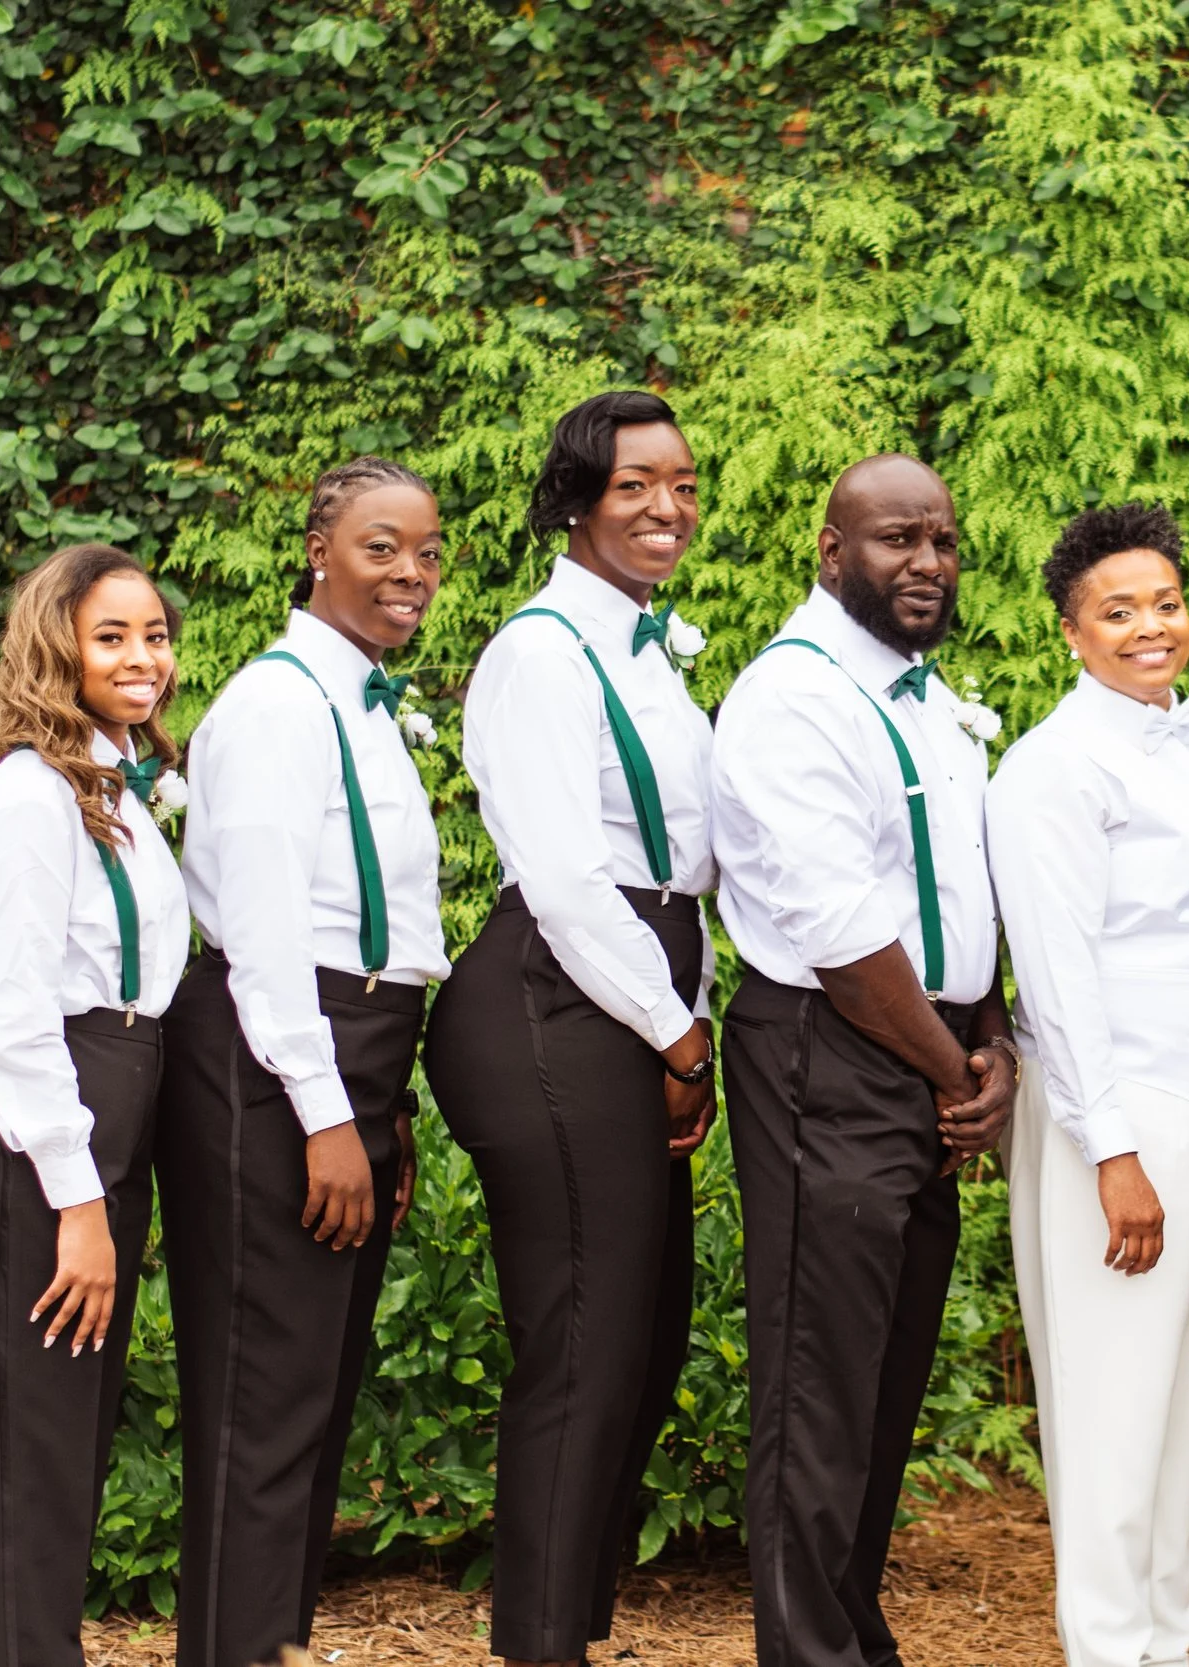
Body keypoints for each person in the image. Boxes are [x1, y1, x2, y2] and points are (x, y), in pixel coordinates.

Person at [422, 392, 718, 1666]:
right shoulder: (539, 652)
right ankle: (538, 1644)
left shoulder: (646, 651)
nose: (666, 508)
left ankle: (567, 1628)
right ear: (578, 498)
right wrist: (678, 1033)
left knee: (642, 1343)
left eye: (683, 484)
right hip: (554, 994)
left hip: (635, 996)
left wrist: (682, 1020)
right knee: (587, 1336)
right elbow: (563, 873)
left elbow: (690, 863)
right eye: (635, 485)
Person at [710, 452, 1016, 1667]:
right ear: (832, 552)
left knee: (884, 1371)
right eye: (897, 539)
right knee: (818, 1375)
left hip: (926, 1052)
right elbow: (843, 934)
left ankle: (849, 1627)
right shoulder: (794, 696)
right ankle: (807, 1648)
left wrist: (987, 1043)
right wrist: (957, 1071)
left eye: (940, 538)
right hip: (827, 1055)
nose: (927, 562)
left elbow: (958, 896)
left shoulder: (922, 696)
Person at [987, 504, 1189, 1667]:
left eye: (1163, 601)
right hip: (1130, 1104)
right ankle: (1112, 1646)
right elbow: (1057, 973)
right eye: (1118, 611)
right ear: (1072, 631)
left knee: (1188, 1403)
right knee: (1115, 1405)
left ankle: (1161, 1641)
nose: (1149, 625)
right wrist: (1110, 1149)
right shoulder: (1055, 766)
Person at [158, 458, 450, 1667]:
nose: (412, 573)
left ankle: (264, 1643)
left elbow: (376, 928)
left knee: (315, 1393)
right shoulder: (278, 707)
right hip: (275, 1061)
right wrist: (327, 1114)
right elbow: (272, 938)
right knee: (263, 1397)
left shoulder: (363, 704)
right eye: (383, 547)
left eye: (428, 552)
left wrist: (382, 1111)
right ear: (320, 545)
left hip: (351, 1056)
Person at [0, 543, 190, 1667]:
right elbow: (16, 1018)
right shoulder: (33, 796)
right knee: (31, 1454)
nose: (144, 657)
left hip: (110, 1111)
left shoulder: (115, 784)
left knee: (51, 1455)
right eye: (113, 637)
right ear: (59, 648)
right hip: (34, 1135)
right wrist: (78, 1203)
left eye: (155, 634)